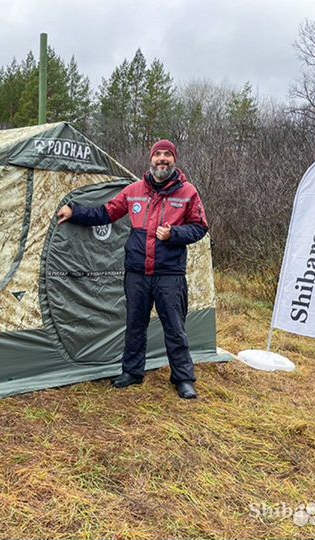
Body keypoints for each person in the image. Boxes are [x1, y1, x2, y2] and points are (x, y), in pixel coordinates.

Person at [56, 140, 208, 399]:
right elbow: (106, 213)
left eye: (167, 156)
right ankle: (132, 372)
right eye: (158, 155)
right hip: (137, 272)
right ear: (151, 159)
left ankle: (183, 378)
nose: (162, 159)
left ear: (174, 160)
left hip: (169, 274)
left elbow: (200, 227)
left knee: (174, 326)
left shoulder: (188, 193)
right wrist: (75, 212)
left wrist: (175, 234)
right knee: (135, 324)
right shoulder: (134, 190)